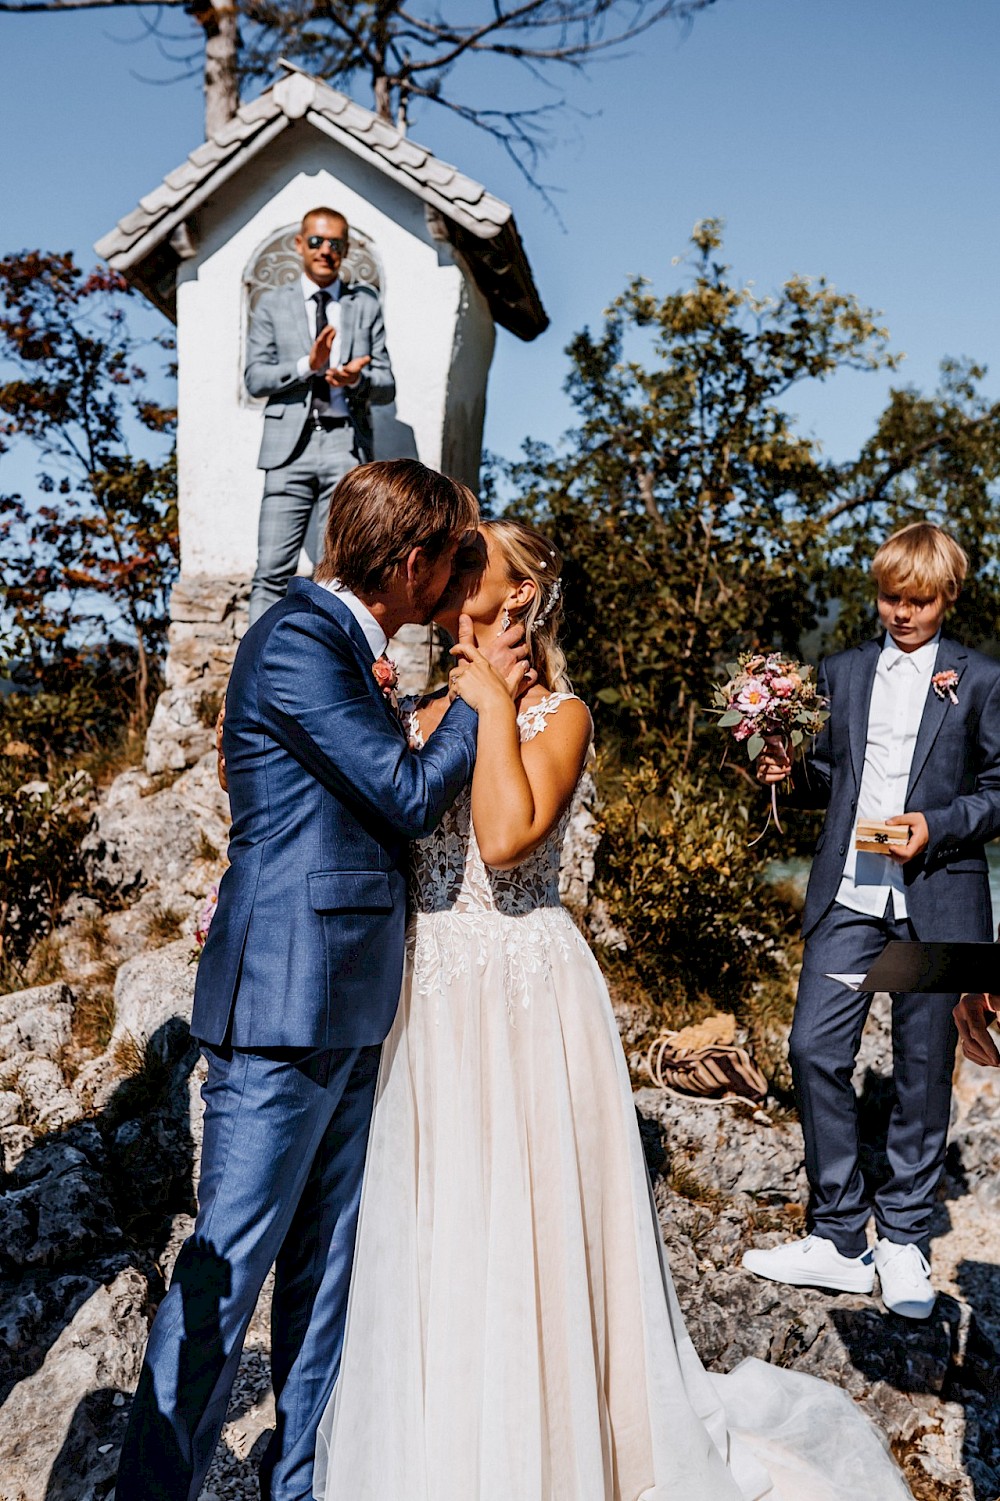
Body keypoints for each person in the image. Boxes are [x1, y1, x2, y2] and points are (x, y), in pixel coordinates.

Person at [313, 519, 913, 1500]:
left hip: (523, 995)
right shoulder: (411, 708)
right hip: (428, 1001)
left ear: (517, 600)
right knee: (433, 1230)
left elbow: (505, 840)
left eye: (474, 570)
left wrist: (492, 698)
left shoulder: (561, 714)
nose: (448, 581)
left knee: (529, 1230)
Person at [114, 461, 532, 1501]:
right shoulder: (299, 640)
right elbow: (402, 794)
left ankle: (295, 1482)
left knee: (323, 1269)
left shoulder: (352, 646)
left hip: (349, 1000)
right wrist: (480, 696)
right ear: (408, 561)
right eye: (447, 559)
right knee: (226, 1270)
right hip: (281, 1007)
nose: (454, 582)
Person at [744, 522, 1000, 1320]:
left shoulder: (982, 678)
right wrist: (788, 768)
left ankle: (905, 1239)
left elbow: (998, 787)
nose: (901, 612)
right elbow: (832, 776)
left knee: (924, 1072)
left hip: (940, 896)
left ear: (946, 596)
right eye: (891, 596)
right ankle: (837, 1233)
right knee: (813, 1046)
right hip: (850, 895)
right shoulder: (843, 671)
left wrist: (941, 824)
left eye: (918, 600)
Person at [245, 206, 395, 625]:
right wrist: (305, 366)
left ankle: (319, 672)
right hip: (288, 447)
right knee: (272, 569)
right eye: (316, 241)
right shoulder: (272, 304)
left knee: (335, 573)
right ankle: (253, 680)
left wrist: (355, 381)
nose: (325, 250)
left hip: (345, 443)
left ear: (345, 250)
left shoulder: (365, 305)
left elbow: (387, 384)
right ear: (299, 244)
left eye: (335, 243)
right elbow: (254, 378)